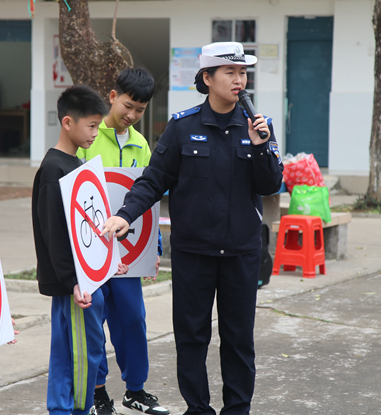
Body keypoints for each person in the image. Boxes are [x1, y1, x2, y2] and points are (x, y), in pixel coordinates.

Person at [101, 42, 284, 415]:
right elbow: (153, 180)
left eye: (243, 73)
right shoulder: (182, 128)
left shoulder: (256, 127)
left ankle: (238, 409)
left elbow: (270, 185)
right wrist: (126, 214)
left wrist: (262, 145)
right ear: (207, 78)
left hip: (240, 254)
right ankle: (198, 409)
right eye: (230, 72)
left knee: (238, 340)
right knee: (191, 338)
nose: (238, 80)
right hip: (193, 254)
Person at [32, 84, 129, 415]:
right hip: (77, 286)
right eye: (90, 125)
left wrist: (108, 261)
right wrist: (74, 280)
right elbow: (54, 235)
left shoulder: (77, 165)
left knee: (83, 350)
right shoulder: (53, 169)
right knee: (77, 353)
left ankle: (73, 408)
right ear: (67, 123)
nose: (95, 132)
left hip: (88, 281)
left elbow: (89, 225)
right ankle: (70, 409)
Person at [77, 68, 168, 415]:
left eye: (140, 110)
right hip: (90, 252)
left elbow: (149, 199)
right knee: (93, 324)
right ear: (112, 96)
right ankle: (98, 392)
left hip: (129, 253)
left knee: (133, 319)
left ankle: (136, 390)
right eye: (128, 105)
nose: (132, 115)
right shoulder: (88, 136)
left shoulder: (141, 145)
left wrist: (153, 248)